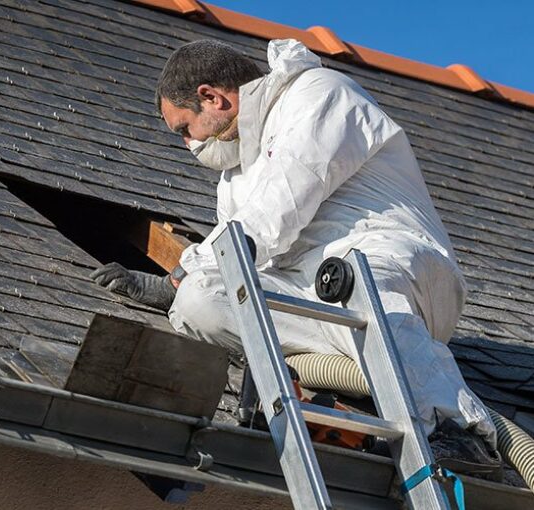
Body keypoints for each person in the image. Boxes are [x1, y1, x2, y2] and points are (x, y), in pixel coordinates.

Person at [91, 38, 499, 466]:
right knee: (201, 301)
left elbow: (279, 208)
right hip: (310, 293)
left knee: (354, 278)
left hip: (392, 268)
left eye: (184, 129)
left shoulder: (317, 95)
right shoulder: (235, 180)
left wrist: (175, 276)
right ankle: (338, 380)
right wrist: (186, 285)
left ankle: (458, 429)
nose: (187, 144)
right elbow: (241, 254)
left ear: (212, 98)